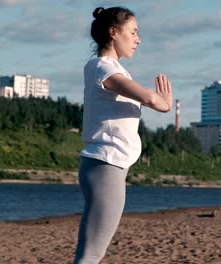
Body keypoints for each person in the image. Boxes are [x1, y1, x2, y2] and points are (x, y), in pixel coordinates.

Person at [73, 6, 173, 264]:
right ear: (113, 32)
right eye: (134, 32)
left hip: (105, 166)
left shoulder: (108, 68)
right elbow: (149, 97)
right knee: (91, 255)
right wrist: (162, 103)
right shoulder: (102, 68)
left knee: (91, 252)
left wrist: (158, 101)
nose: (138, 39)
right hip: (106, 166)